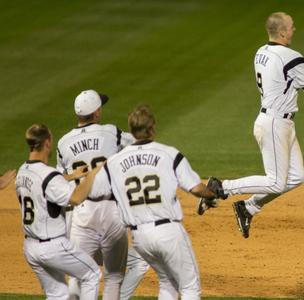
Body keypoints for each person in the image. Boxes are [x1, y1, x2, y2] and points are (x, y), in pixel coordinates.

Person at [198, 12, 304, 239]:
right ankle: (221, 187)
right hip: (274, 122)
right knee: (275, 182)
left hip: (281, 122)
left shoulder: (261, 52)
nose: (294, 30)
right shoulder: (290, 56)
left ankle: (248, 207)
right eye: (292, 26)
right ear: (283, 31)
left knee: (295, 178)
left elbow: (300, 76)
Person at [89, 105, 217, 300]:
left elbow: (95, 193)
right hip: (168, 233)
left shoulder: (114, 162)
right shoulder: (168, 153)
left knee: (168, 282)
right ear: (152, 128)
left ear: (131, 131)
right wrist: (211, 195)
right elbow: (196, 188)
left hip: (140, 238)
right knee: (190, 287)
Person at [56, 89, 136, 300]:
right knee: (113, 277)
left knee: (76, 275)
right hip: (112, 212)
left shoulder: (63, 143)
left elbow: (60, 180)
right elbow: (138, 144)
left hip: (82, 213)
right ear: (97, 112)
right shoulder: (111, 132)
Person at [15, 124, 102, 300]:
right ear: (47, 143)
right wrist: (92, 174)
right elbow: (76, 198)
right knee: (92, 274)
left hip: (31, 248)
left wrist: (71, 176)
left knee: (59, 295)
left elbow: (44, 182)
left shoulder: (22, 170)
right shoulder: (49, 175)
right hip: (53, 247)